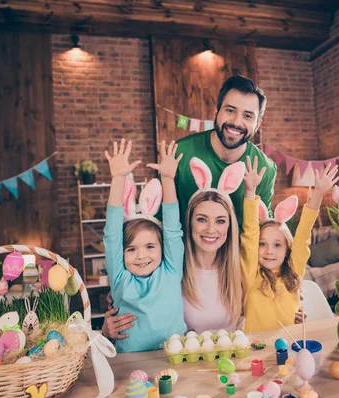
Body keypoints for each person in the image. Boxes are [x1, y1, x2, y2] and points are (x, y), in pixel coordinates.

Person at [102, 139, 186, 352]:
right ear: (121, 254)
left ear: (162, 247)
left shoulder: (171, 269)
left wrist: (167, 179)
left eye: (150, 246)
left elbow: (173, 230)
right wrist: (118, 179)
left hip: (175, 359)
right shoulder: (120, 277)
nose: (141, 256)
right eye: (131, 249)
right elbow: (112, 235)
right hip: (130, 364)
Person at [240, 157, 338, 333]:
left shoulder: (293, 270)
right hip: (255, 349)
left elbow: (302, 236)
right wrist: (250, 191)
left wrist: (318, 194)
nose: (269, 251)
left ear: (287, 250)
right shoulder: (250, 273)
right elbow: (249, 234)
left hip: (289, 347)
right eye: (262, 243)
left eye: (277, 245)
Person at [174, 75, 277, 227]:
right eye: (230, 110)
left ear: (257, 124)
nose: (236, 122)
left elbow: (262, 227)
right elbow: (162, 219)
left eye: (248, 116)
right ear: (216, 112)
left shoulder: (265, 169)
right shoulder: (180, 153)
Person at [181, 158, 245, 332]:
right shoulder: (173, 271)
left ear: (229, 226)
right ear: (190, 222)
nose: (211, 229)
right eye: (201, 219)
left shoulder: (240, 268)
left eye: (220, 221)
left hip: (232, 357)